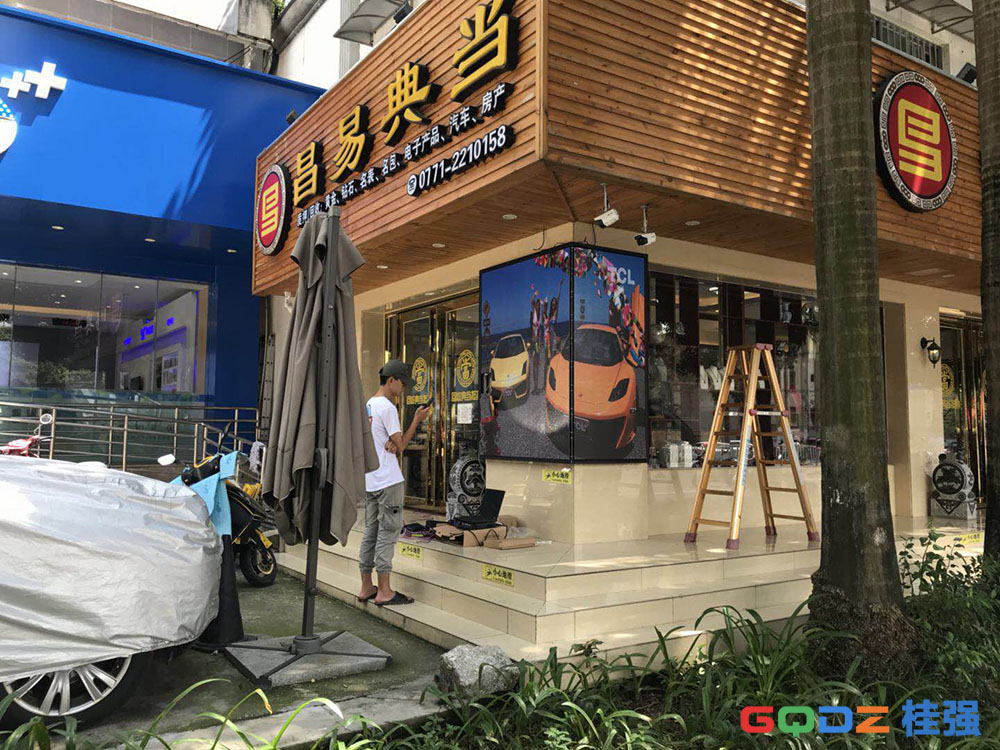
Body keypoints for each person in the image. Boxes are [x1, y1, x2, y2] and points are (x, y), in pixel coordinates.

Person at [358, 359, 430, 606]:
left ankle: (366, 586)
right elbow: (401, 446)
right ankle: (385, 591)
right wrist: (416, 419)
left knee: (370, 532)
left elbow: (380, 441)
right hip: (388, 480)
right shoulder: (388, 408)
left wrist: (389, 441)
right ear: (391, 380)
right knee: (388, 533)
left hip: (371, 479)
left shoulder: (368, 405)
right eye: (403, 383)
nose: (404, 388)